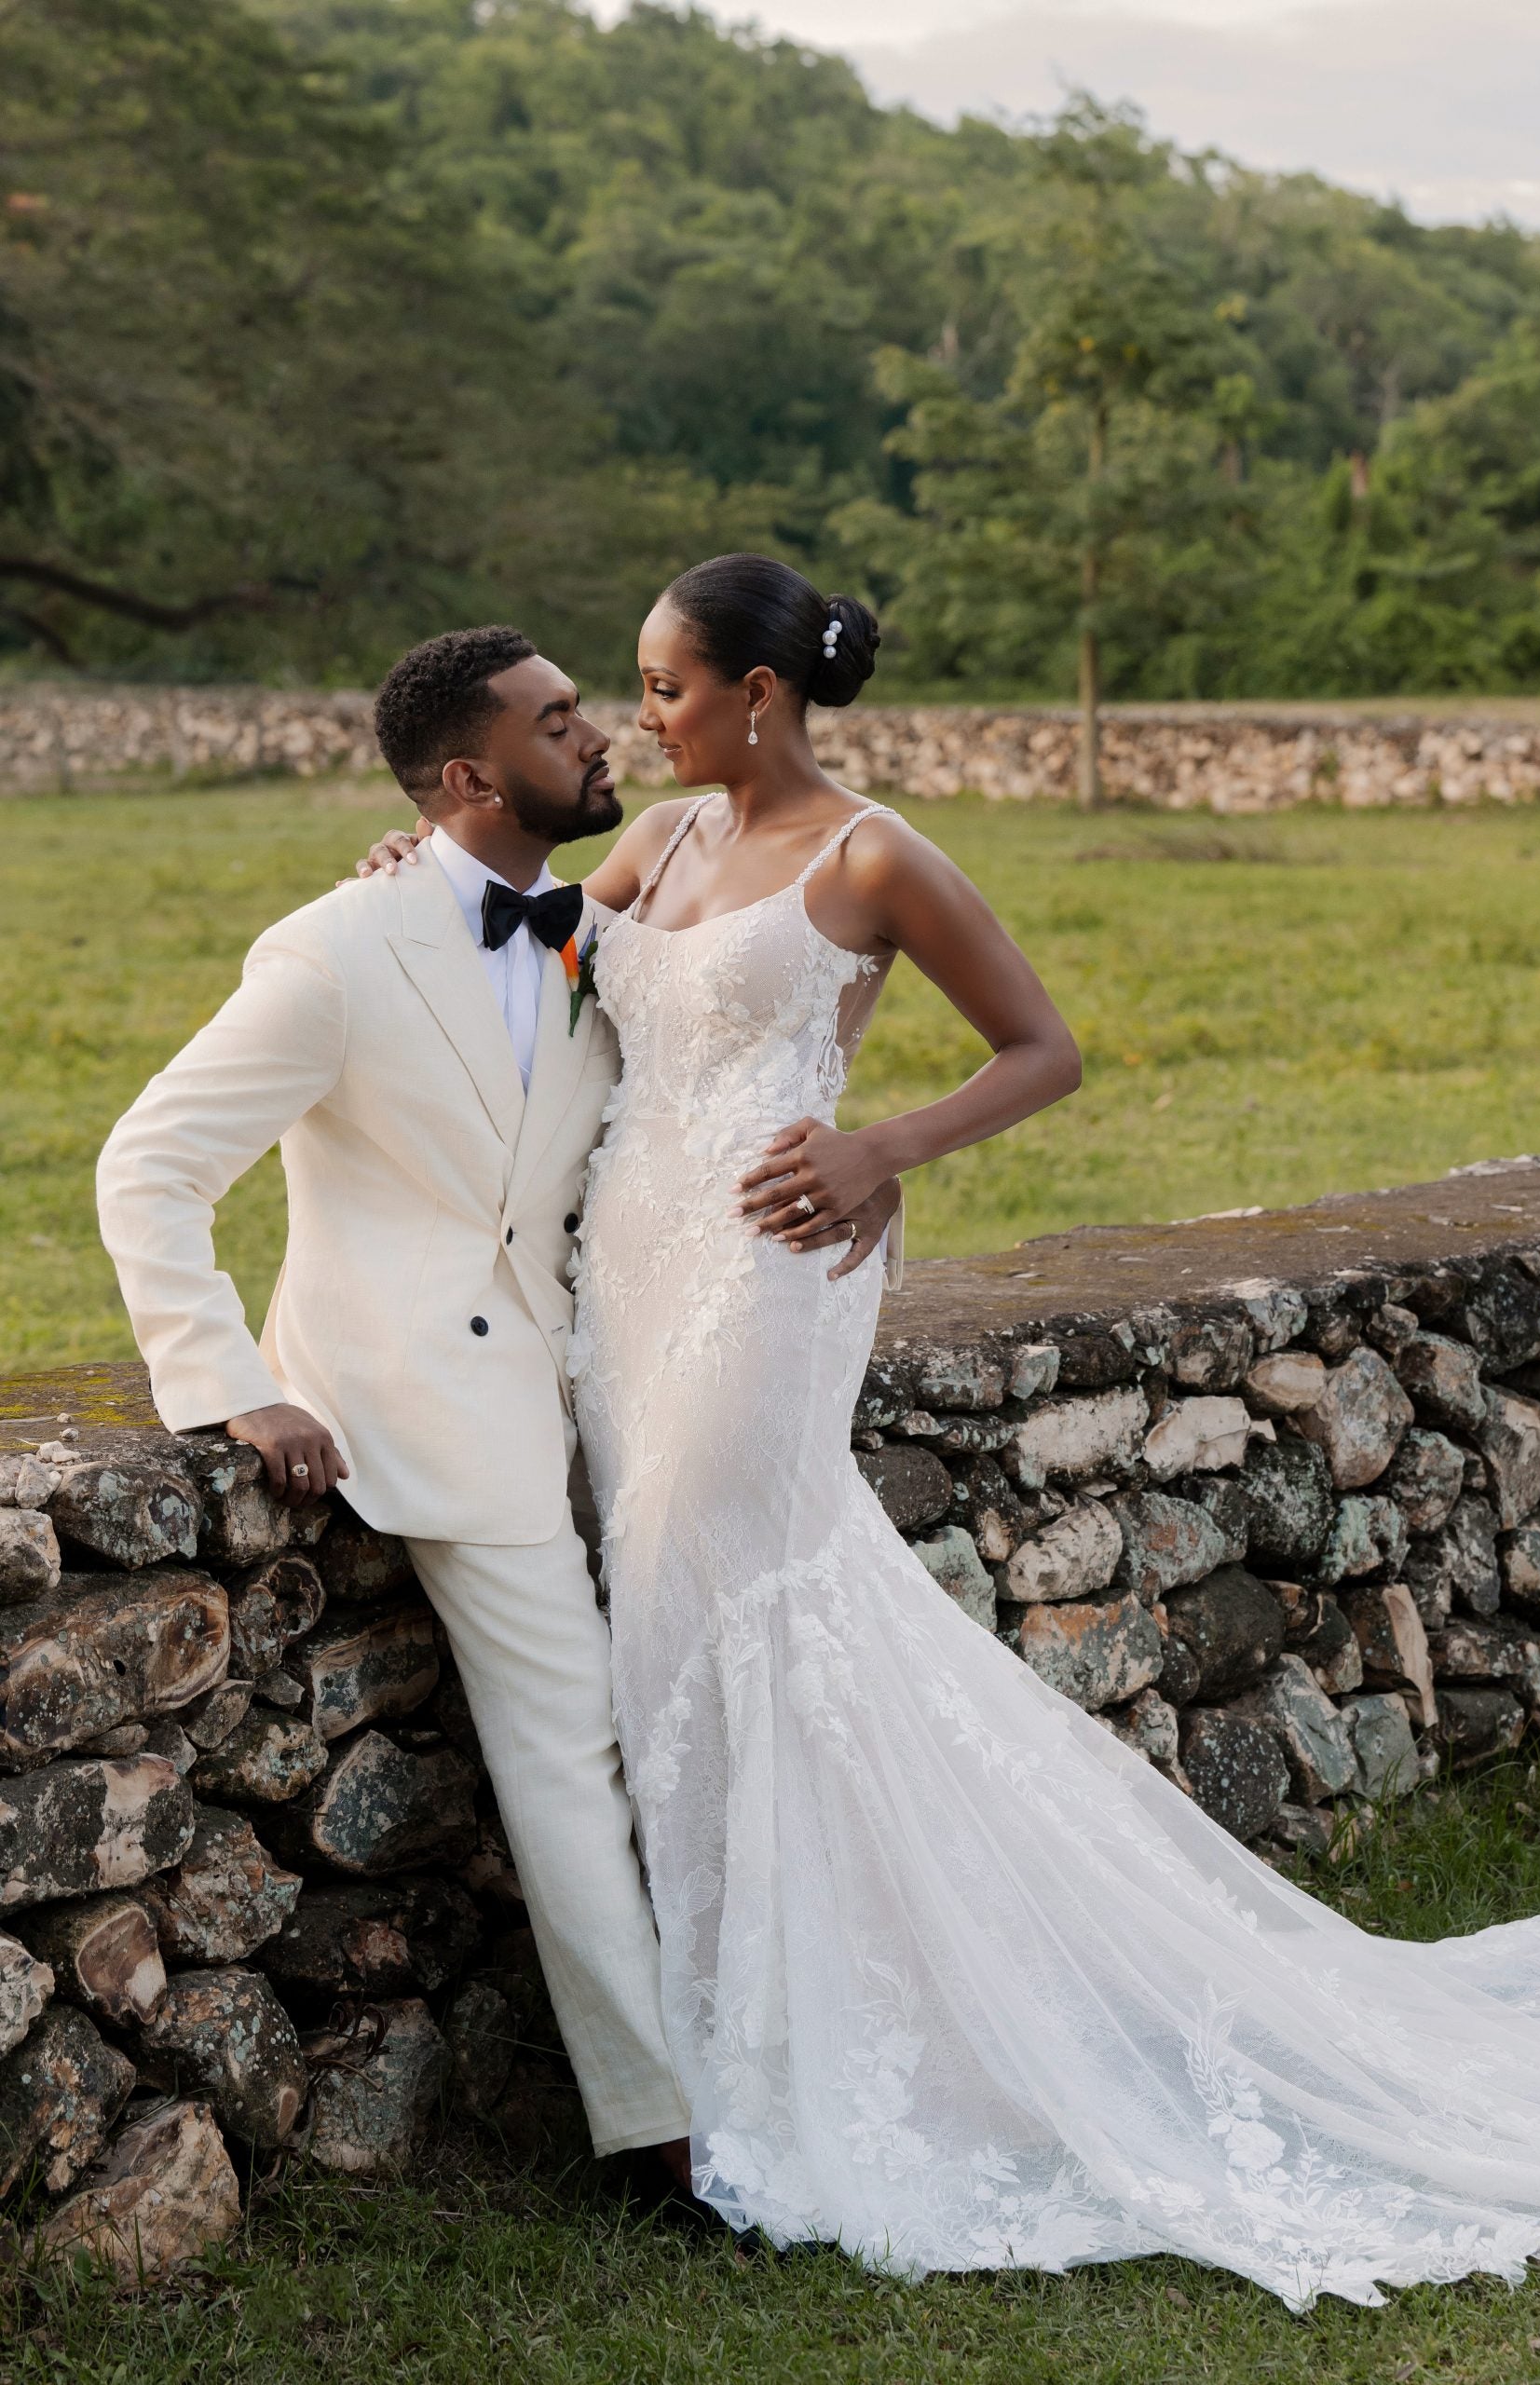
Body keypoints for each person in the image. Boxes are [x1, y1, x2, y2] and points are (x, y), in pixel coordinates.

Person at [358, 555, 1540, 2309]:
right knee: (686, 1622)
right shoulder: (663, 851)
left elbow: (1044, 1049)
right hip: (629, 1279)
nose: (641, 720)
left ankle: (768, 2064)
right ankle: (732, 2036)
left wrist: (885, 1150)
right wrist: (416, 871)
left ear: (757, 696)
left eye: (661, 687)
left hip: (769, 1271)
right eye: (634, 692)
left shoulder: (871, 855)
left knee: (717, 1597)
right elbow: (536, 945)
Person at [96, 622, 902, 2188]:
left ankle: (784, 2040)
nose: (598, 735)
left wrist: (864, 1159)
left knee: (709, 1686)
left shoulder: (592, 923)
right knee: (574, 1748)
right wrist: (233, 1389)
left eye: (590, 712)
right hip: (427, 1398)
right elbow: (148, 1163)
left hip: (613, 1371)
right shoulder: (335, 951)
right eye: (557, 723)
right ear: (470, 775)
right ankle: (657, 2137)